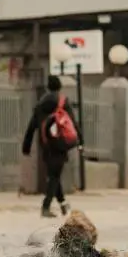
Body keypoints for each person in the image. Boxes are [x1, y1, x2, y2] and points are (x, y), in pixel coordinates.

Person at [21, 75, 81, 218]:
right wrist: (80, 141)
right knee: (54, 176)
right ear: (59, 87)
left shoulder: (41, 104)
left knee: (54, 174)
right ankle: (46, 206)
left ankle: (63, 204)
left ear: (48, 87)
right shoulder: (63, 101)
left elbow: (32, 125)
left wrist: (26, 146)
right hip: (60, 144)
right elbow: (72, 122)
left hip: (46, 145)